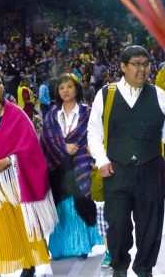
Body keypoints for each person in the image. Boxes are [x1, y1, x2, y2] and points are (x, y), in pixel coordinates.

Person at [87, 45, 165, 277]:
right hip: (116, 169)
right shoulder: (106, 94)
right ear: (123, 66)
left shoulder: (159, 95)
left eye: (146, 64)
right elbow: (94, 132)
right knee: (117, 224)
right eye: (136, 64)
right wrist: (102, 160)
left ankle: (144, 267)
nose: (142, 69)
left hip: (151, 169)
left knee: (151, 223)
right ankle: (119, 266)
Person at [0, 69, 57, 277]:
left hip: (15, 182)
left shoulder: (16, 114)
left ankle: (29, 267)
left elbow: (31, 148)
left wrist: (9, 160)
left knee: (23, 226)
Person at [40, 73, 104, 260]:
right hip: (57, 167)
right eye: (61, 88)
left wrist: (81, 150)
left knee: (80, 202)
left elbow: (95, 136)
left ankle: (82, 245)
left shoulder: (87, 112)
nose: (65, 91)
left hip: (80, 166)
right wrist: (63, 146)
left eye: (69, 86)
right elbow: (46, 139)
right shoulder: (52, 113)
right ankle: (60, 247)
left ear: (76, 88)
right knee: (61, 206)